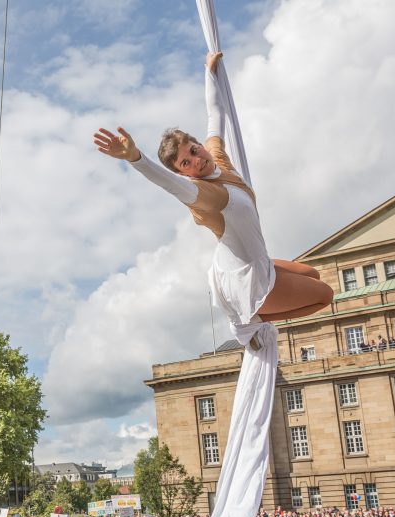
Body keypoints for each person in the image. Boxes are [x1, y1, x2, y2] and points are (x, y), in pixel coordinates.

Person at [93, 51, 333, 333]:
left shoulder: (218, 159)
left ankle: (251, 312)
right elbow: (167, 183)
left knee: (312, 273)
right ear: (184, 172)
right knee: (324, 294)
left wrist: (210, 72)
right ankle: (249, 320)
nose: (196, 160)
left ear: (200, 146)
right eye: (186, 163)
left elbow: (215, 114)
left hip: (254, 261)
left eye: (194, 151)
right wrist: (135, 157)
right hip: (246, 280)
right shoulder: (203, 193)